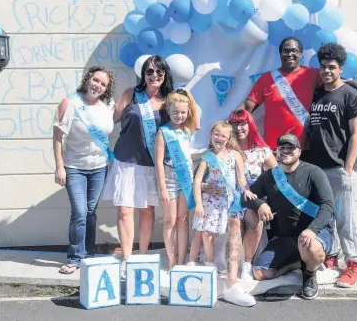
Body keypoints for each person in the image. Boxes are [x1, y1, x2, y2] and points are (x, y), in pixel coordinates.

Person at [102, 55, 173, 277]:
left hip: (152, 164)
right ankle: (126, 257)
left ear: (165, 75)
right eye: (149, 72)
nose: (154, 76)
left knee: (147, 209)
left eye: (158, 72)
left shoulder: (170, 101)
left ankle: (141, 257)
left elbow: (187, 123)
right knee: (124, 210)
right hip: (126, 161)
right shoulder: (131, 94)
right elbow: (108, 122)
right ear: (143, 74)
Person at [243, 134, 335, 300]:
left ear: (299, 151)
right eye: (282, 148)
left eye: (290, 147)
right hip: (286, 237)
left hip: (316, 232)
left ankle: (309, 273)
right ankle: (298, 262)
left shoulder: (314, 172)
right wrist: (259, 204)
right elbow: (246, 198)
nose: (286, 151)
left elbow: (328, 205)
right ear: (276, 152)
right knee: (260, 273)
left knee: (311, 247)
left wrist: (312, 230)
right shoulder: (270, 176)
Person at [244, 37, 357, 154]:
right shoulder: (266, 79)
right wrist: (229, 123)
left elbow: (340, 82)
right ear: (280, 53)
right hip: (275, 149)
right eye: (285, 51)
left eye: (294, 51)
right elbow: (247, 109)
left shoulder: (313, 74)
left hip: (305, 149)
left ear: (301, 54)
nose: (289, 54)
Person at [309, 43, 357, 288]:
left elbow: (356, 134)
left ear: (340, 68)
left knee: (345, 218)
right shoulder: (317, 93)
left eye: (332, 67)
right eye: (323, 67)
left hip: (339, 168)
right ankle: (332, 258)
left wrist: (349, 168)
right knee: (326, 217)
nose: (327, 71)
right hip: (317, 167)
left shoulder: (349, 95)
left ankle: (354, 265)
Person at [53, 65, 116, 274]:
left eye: (103, 84)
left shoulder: (107, 105)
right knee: (79, 212)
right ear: (88, 78)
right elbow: (57, 137)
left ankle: (88, 254)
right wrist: (59, 167)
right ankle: (75, 257)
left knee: (90, 212)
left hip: (99, 167)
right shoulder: (70, 103)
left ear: (107, 89)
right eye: (96, 80)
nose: (98, 86)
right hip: (74, 167)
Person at [219, 109, 277, 306]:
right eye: (234, 125)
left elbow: (277, 178)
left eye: (242, 123)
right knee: (234, 223)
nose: (238, 128)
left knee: (254, 218)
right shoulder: (226, 150)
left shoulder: (262, 151)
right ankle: (231, 272)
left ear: (250, 125)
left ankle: (247, 263)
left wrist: (267, 201)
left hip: (255, 200)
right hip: (231, 200)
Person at [188, 121, 257, 268]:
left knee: (228, 232)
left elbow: (241, 179)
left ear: (229, 138)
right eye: (216, 134)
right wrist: (199, 203)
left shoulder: (235, 155)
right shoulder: (207, 157)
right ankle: (209, 262)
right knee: (205, 233)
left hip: (227, 201)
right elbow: (197, 181)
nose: (219, 138)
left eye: (223, 136)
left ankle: (233, 266)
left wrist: (247, 190)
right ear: (211, 134)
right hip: (209, 201)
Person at [155, 88, 200, 269]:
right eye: (175, 112)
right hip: (169, 177)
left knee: (182, 219)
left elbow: (196, 118)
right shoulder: (163, 132)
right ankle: (172, 260)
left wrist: (188, 93)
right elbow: (158, 162)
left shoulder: (187, 130)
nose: (179, 116)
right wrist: (163, 188)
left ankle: (182, 260)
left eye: (182, 112)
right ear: (168, 111)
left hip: (186, 178)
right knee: (169, 220)